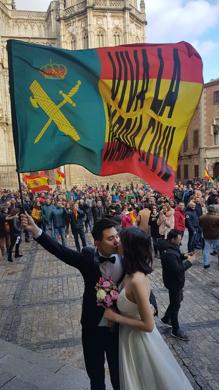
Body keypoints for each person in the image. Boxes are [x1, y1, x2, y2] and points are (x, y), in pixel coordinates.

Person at [20, 213, 157, 390]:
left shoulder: (125, 258)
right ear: (97, 243)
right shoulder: (87, 257)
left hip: (118, 331)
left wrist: (152, 307)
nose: (116, 241)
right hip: (92, 327)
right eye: (110, 238)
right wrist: (36, 230)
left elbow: (141, 281)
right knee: (95, 375)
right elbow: (61, 252)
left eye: (117, 236)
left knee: (119, 375)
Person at [104, 227, 193, 390]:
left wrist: (115, 317)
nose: (117, 242)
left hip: (138, 341)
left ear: (130, 247)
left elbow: (149, 325)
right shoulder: (128, 272)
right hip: (128, 337)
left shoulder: (137, 280)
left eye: (120, 240)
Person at [160, 229, 196, 341]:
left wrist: (185, 255)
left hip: (176, 282)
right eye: (179, 239)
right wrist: (190, 262)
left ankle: (166, 318)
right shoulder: (169, 253)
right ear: (172, 240)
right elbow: (178, 269)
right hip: (174, 282)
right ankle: (176, 330)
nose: (180, 241)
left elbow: (177, 256)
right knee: (176, 305)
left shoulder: (171, 248)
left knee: (178, 299)